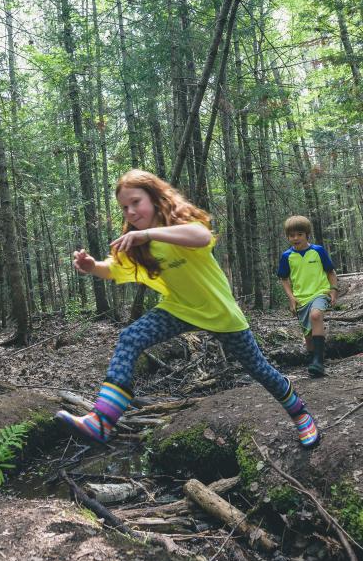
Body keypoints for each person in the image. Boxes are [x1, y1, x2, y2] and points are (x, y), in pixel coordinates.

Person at [56, 170, 319, 448]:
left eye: (136, 202)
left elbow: (201, 236)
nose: (131, 212)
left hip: (219, 312)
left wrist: (147, 233)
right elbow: (114, 268)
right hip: (178, 309)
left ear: (155, 198)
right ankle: (102, 420)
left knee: (259, 369)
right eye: (124, 207)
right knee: (130, 337)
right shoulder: (136, 243)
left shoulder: (179, 223)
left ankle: (300, 413)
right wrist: (92, 267)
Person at [277, 215, 338, 377]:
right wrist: (291, 298)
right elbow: (284, 279)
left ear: (307, 234)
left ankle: (319, 361)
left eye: (299, 234)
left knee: (316, 316)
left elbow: (331, 272)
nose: (295, 238)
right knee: (308, 334)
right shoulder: (286, 256)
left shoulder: (318, 251)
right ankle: (314, 363)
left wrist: (333, 289)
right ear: (287, 236)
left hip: (320, 292)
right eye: (291, 235)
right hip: (300, 298)